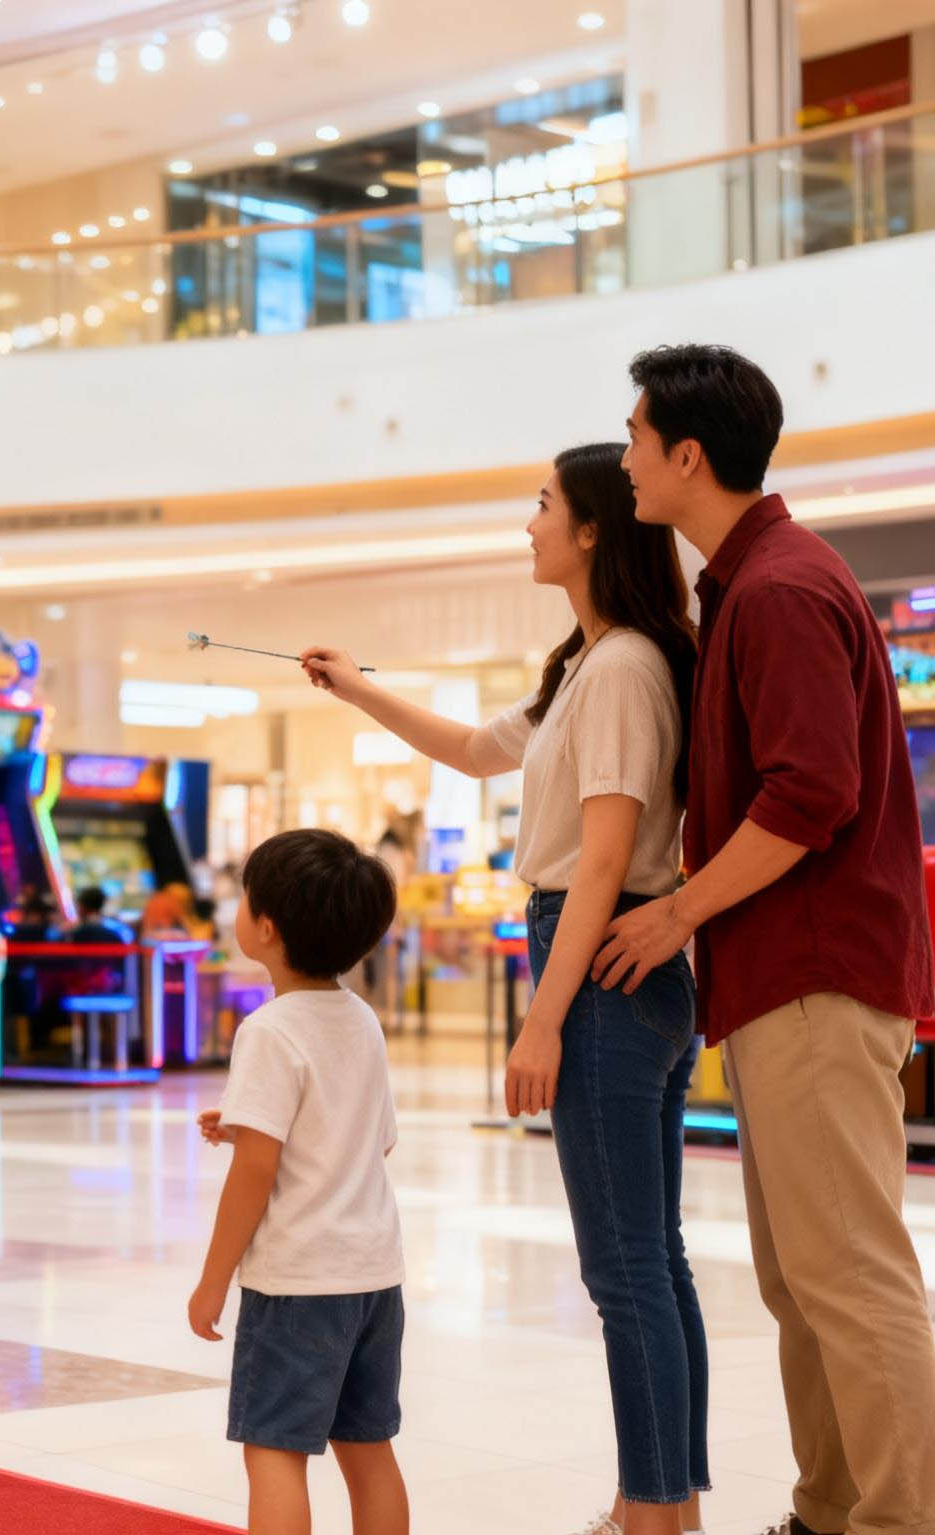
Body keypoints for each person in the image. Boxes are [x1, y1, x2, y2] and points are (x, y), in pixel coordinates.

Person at [303, 443, 707, 1535]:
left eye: (542, 506)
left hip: (602, 972)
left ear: (590, 532)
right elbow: (482, 749)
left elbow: (608, 855)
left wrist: (543, 1019)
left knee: (626, 1270)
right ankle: (659, 1498)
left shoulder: (621, 665)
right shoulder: (591, 660)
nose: (527, 524)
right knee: (650, 1260)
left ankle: (658, 1513)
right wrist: (356, 686)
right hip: (627, 970)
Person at [591, 344, 935, 1535]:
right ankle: (831, 1508)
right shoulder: (747, 583)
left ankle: (897, 1521)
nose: (626, 457)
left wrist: (678, 909)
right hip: (785, 975)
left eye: (636, 438)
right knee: (807, 1278)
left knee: (848, 1273)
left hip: (815, 969)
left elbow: (808, 794)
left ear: (687, 454)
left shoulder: (782, 587)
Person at [188, 828, 406, 1535]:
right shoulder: (363, 1020)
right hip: (374, 1277)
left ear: (266, 927)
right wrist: (251, 1123)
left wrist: (214, 1278)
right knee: (369, 1448)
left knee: (275, 1452)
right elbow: (376, 1137)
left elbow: (257, 1174)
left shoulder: (270, 1028)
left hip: (297, 1286)